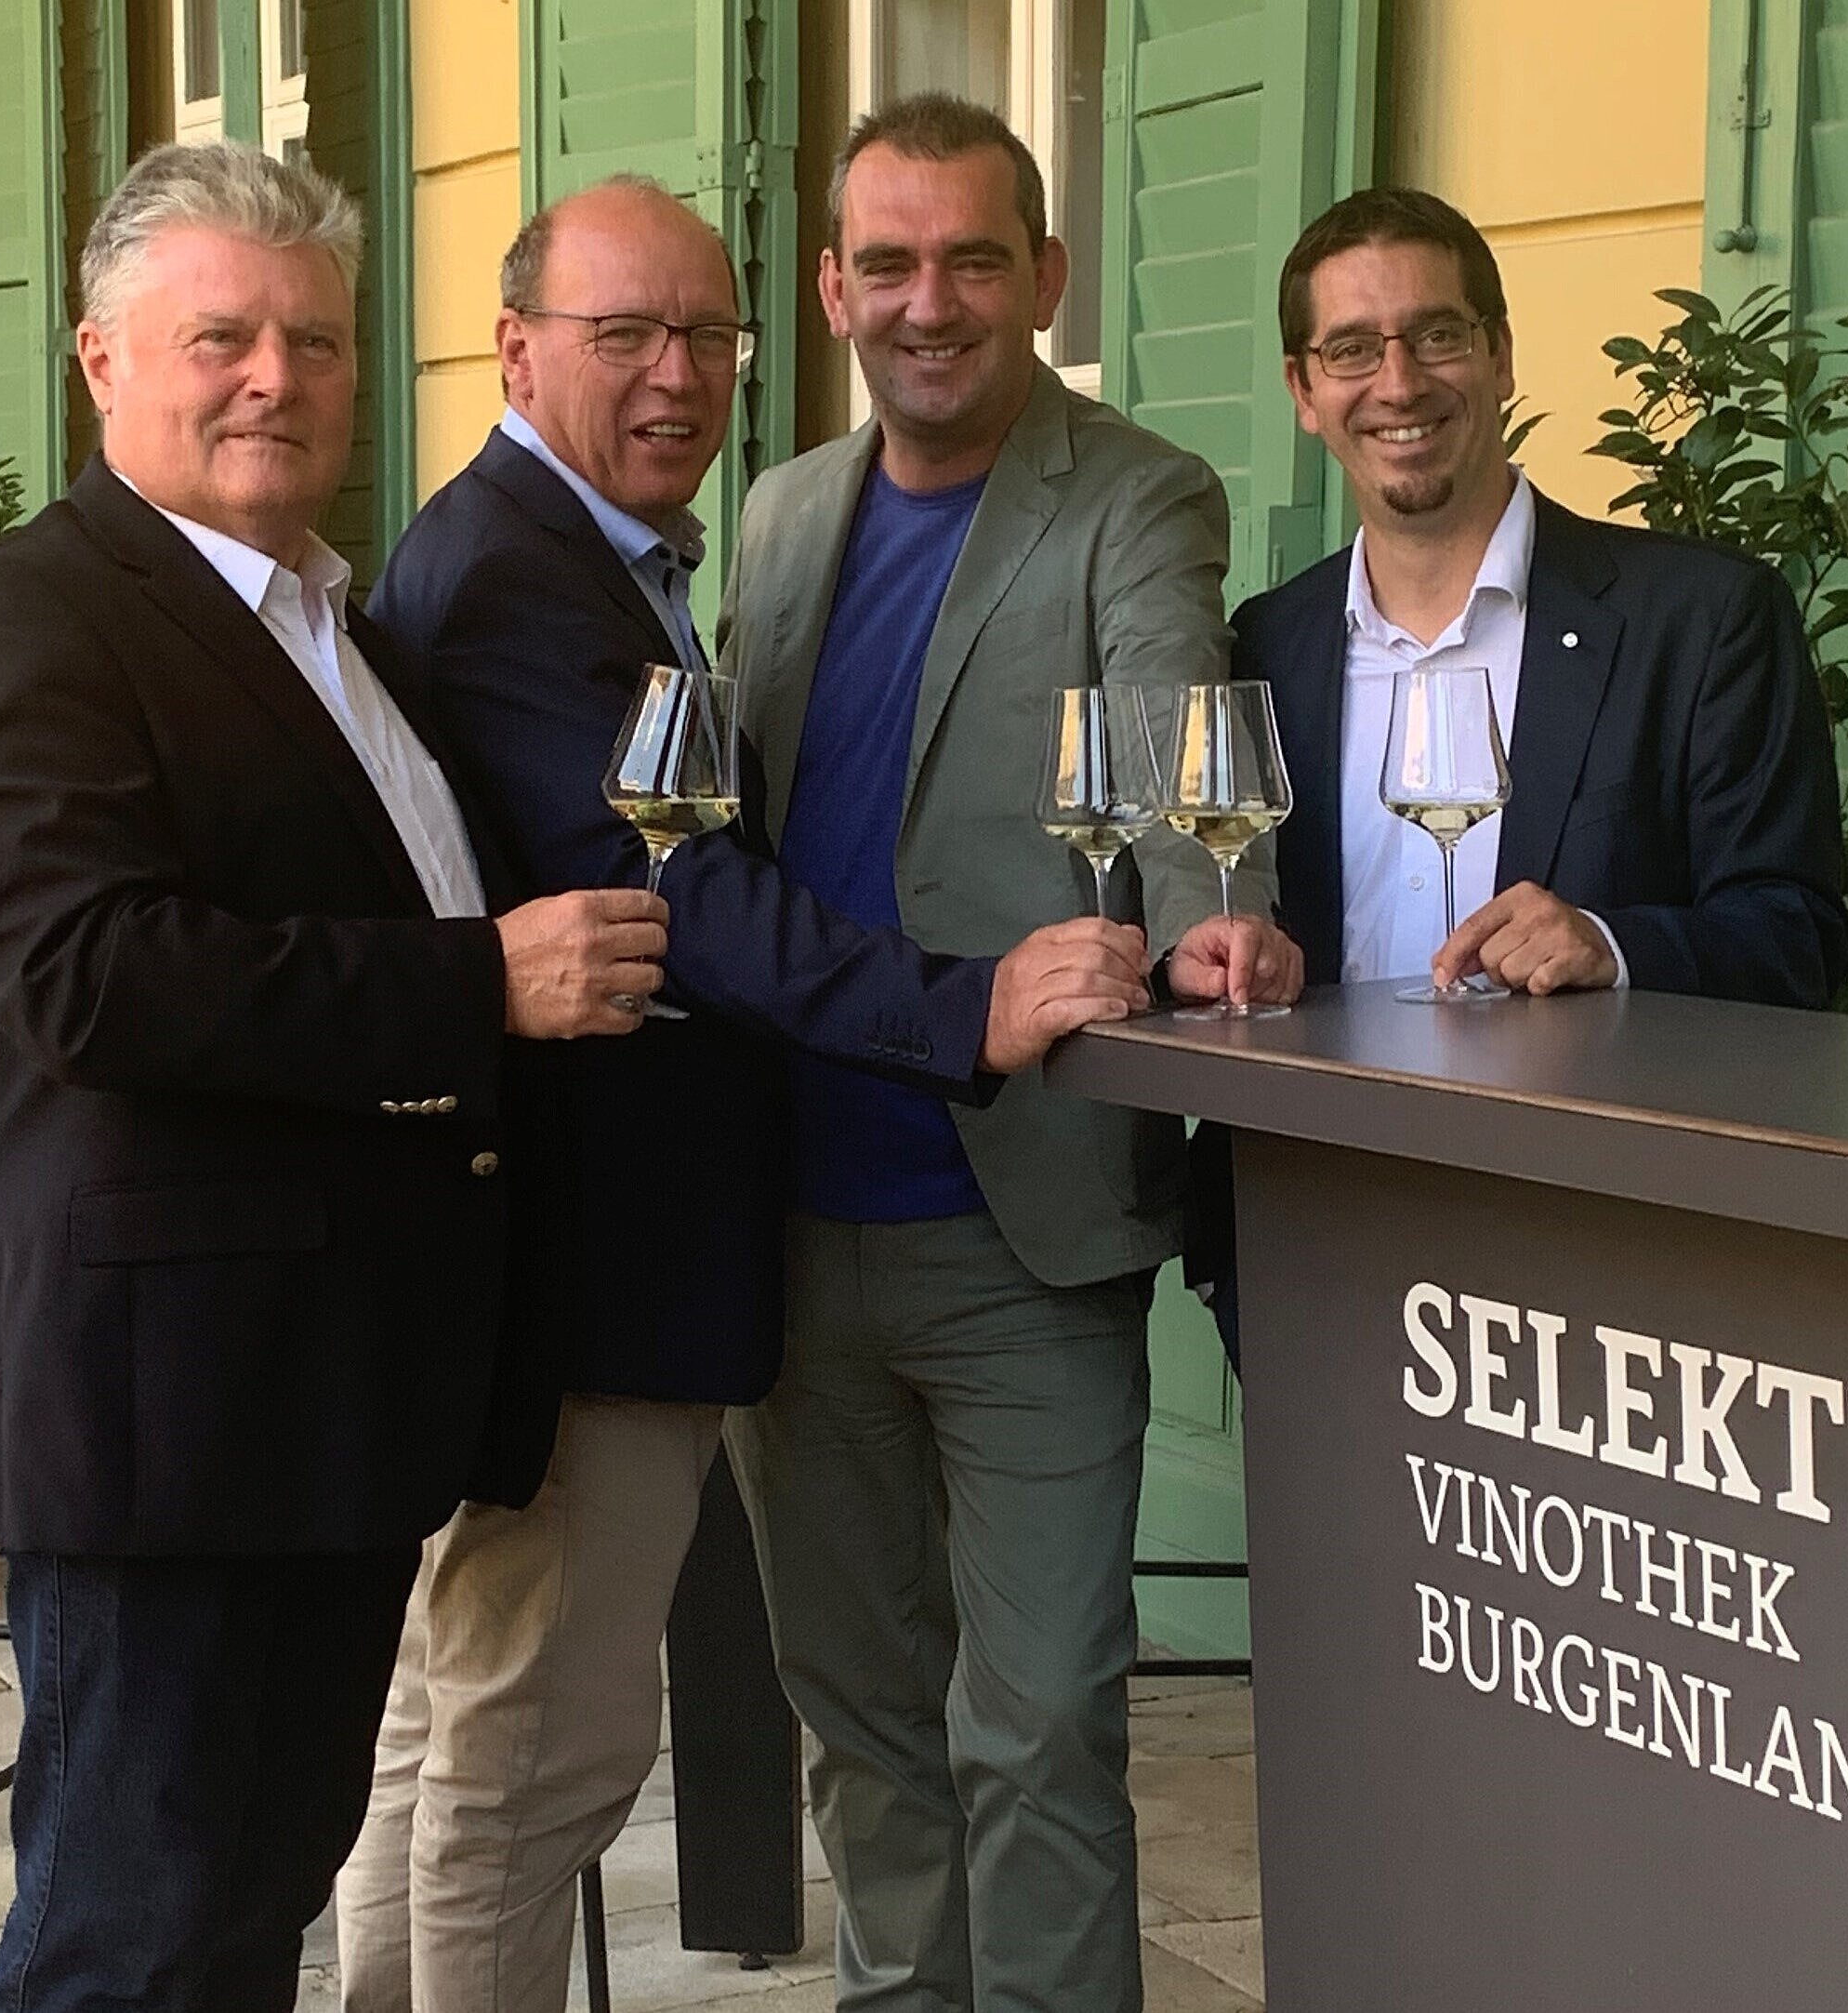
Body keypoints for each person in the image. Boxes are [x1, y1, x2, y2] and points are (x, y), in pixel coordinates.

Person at [330, 174, 1155, 2012]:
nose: (678, 372)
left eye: (707, 332)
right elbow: (682, 908)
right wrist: (971, 1002)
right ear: (516, 346)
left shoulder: (582, 554)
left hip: (584, 1258)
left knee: (452, 1727)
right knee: (530, 1761)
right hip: (590, 1270)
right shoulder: (519, 580)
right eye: (625, 332)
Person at [0, 142, 667, 2013]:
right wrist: (481, 981)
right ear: (100, 359)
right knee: (127, 1945)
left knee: (238, 1924)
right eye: (219, 336)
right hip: (168, 1418)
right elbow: (81, 974)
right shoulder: (24, 617)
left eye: (313, 341)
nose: (274, 379)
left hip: (325, 1406)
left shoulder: (337, 630)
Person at [717, 93, 1299, 2013]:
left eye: (974, 259)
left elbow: (1176, 741)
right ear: (830, 289)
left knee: (1039, 1720)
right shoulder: (779, 515)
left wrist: (1209, 909)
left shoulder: (1133, 496)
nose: (930, 301)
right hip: (788, 1226)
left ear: (1044, 274)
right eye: (887, 263)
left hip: (1015, 1220)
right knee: (858, 1715)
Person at [1184, 185, 1848, 1355]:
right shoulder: (1265, 647)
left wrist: (1613, 943)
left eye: (1436, 334)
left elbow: (1799, 937)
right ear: (1303, 390)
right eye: (1352, 349)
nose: (1399, 382)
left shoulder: (1702, 621)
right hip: (1312, 1236)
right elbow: (1227, 919)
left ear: (1498, 355)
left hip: (1600, 1265)